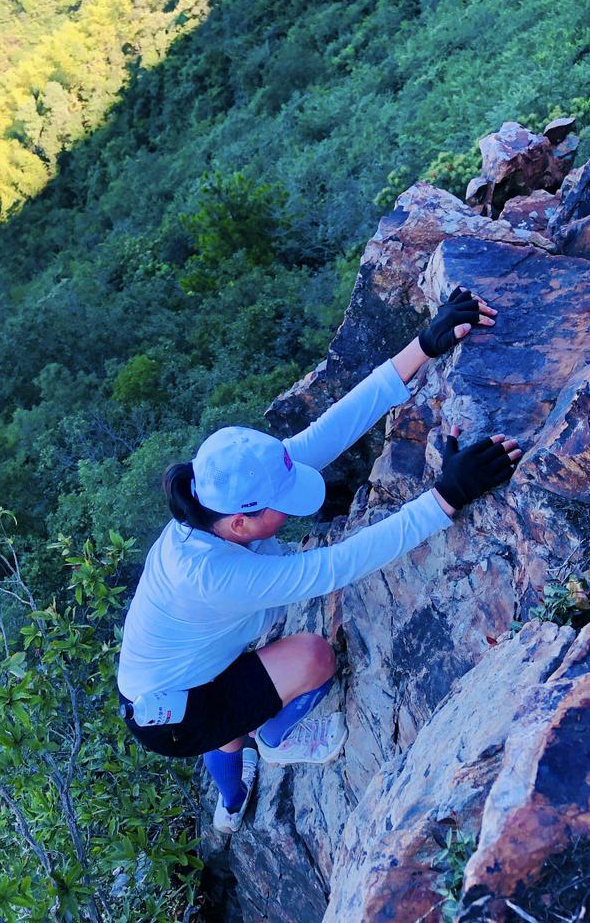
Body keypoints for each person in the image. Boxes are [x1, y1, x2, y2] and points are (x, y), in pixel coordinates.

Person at [116, 288, 522, 835]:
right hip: (172, 719)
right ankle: (275, 740)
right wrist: (446, 498)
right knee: (311, 659)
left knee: (225, 727)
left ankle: (230, 800)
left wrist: (423, 346)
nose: (292, 508)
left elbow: (327, 430)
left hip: (169, 685)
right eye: (281, 507)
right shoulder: (215, 575)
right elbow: (337, 566)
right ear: (241, 523)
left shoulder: (216, 504)